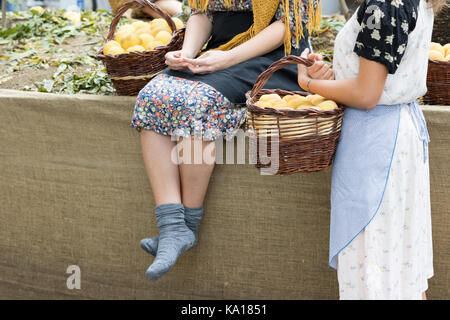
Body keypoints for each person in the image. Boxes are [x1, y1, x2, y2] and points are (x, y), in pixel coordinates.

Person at [130, 0, 331, 280]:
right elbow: (203, 13)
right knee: (153, 97)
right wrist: (187, 53)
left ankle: (187, 221)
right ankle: (172, 225)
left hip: (273, 57)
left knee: (199, 101)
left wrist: (229, 58)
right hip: (220, 51)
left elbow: (289, 25)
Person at [297, 0, 444, 300]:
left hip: (376, 146)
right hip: (396, 140)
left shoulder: (385, 4)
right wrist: (335, 74)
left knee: (375, 273)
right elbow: (380, 80)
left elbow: (366, 94)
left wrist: (310, 83)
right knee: (399, 271)